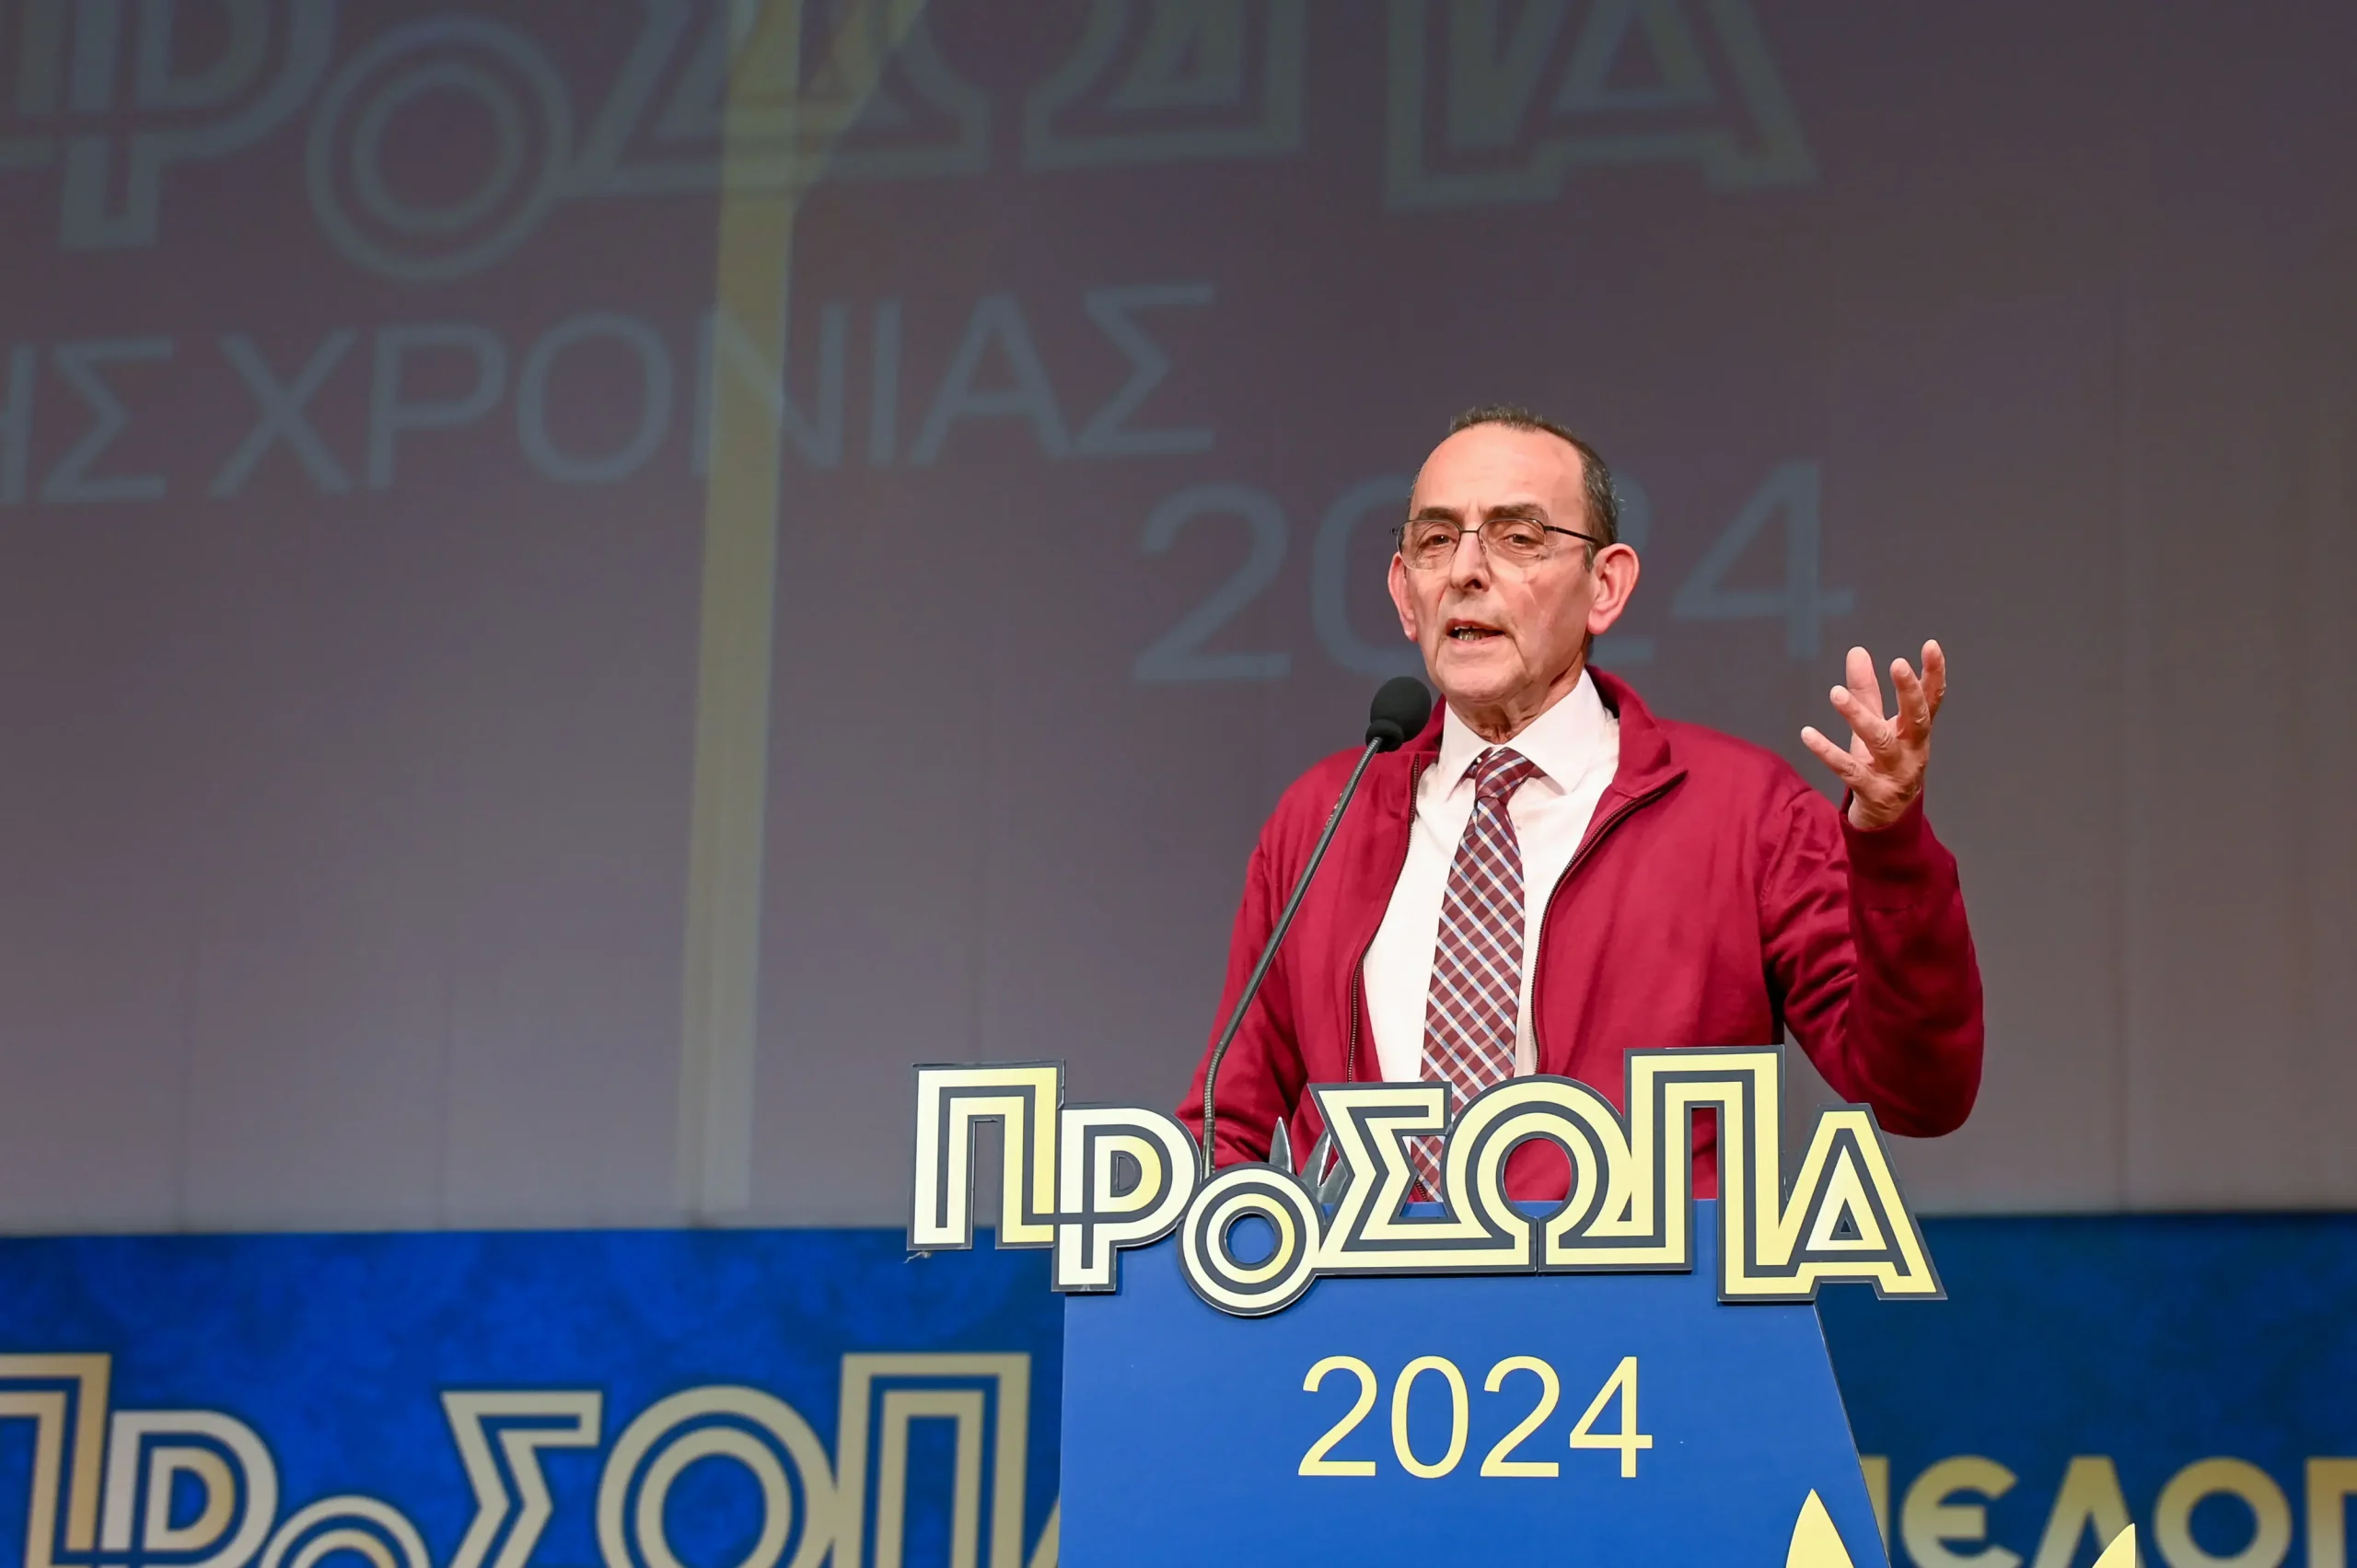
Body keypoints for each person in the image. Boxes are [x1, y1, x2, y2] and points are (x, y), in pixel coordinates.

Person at [1176, 404, 1982, 1199]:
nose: (1465, 571)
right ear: (1404, 592)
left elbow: (1918, 1092)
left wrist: (1890, 847)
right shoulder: (1323, 819)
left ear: (1606, 586)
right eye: (1435, 541)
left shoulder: (1745, 815)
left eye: (1518, 537)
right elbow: (1227, 1128)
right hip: (1366, 1291)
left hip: (1647, 1288)